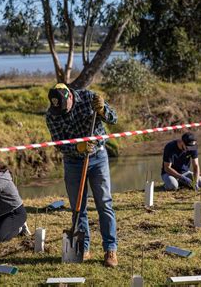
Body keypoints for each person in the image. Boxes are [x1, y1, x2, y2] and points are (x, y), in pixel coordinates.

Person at [46, 83, 118, 267]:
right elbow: (59, 143)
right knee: (78, 207)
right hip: (73, 162)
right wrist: (77, 147)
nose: (62, 112)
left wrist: (102, 111)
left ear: (70, 96)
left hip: (98, 157)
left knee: (104, 203)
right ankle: (82, 248)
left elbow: (113, 119)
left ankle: (110, 249)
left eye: (64, 108)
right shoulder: (52, 115)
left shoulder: (89, 98)